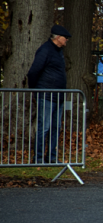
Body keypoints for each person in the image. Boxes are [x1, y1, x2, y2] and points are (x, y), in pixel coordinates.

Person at [27, 25, 70, 164]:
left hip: (58, 95)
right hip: (46, 94)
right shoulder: (45, 50)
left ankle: (51, 157)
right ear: (57, 37)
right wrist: (36, 91)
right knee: (44, 127)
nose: (67, 40)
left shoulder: (59, 51)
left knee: (55, 128)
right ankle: (38, 158)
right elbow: (34, 71)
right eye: (65, 38)